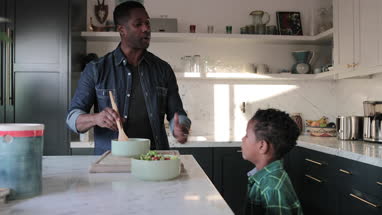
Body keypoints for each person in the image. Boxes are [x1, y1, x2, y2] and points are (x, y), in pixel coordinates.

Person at [66, 1, 191, 155]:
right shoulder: (96, 69)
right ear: (122, 30)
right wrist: (96, 118)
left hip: (154, 160)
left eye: (147, 23)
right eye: (138, 24)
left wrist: (181, 128)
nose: (146, 28)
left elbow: (177, 115)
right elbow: (72, 118)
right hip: (112, 161)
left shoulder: (163, 69)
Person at [241, 108, 303, 215]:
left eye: (247, 135)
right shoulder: (267, 178)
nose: (242, 139)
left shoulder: (272, 188)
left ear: (262, 146)